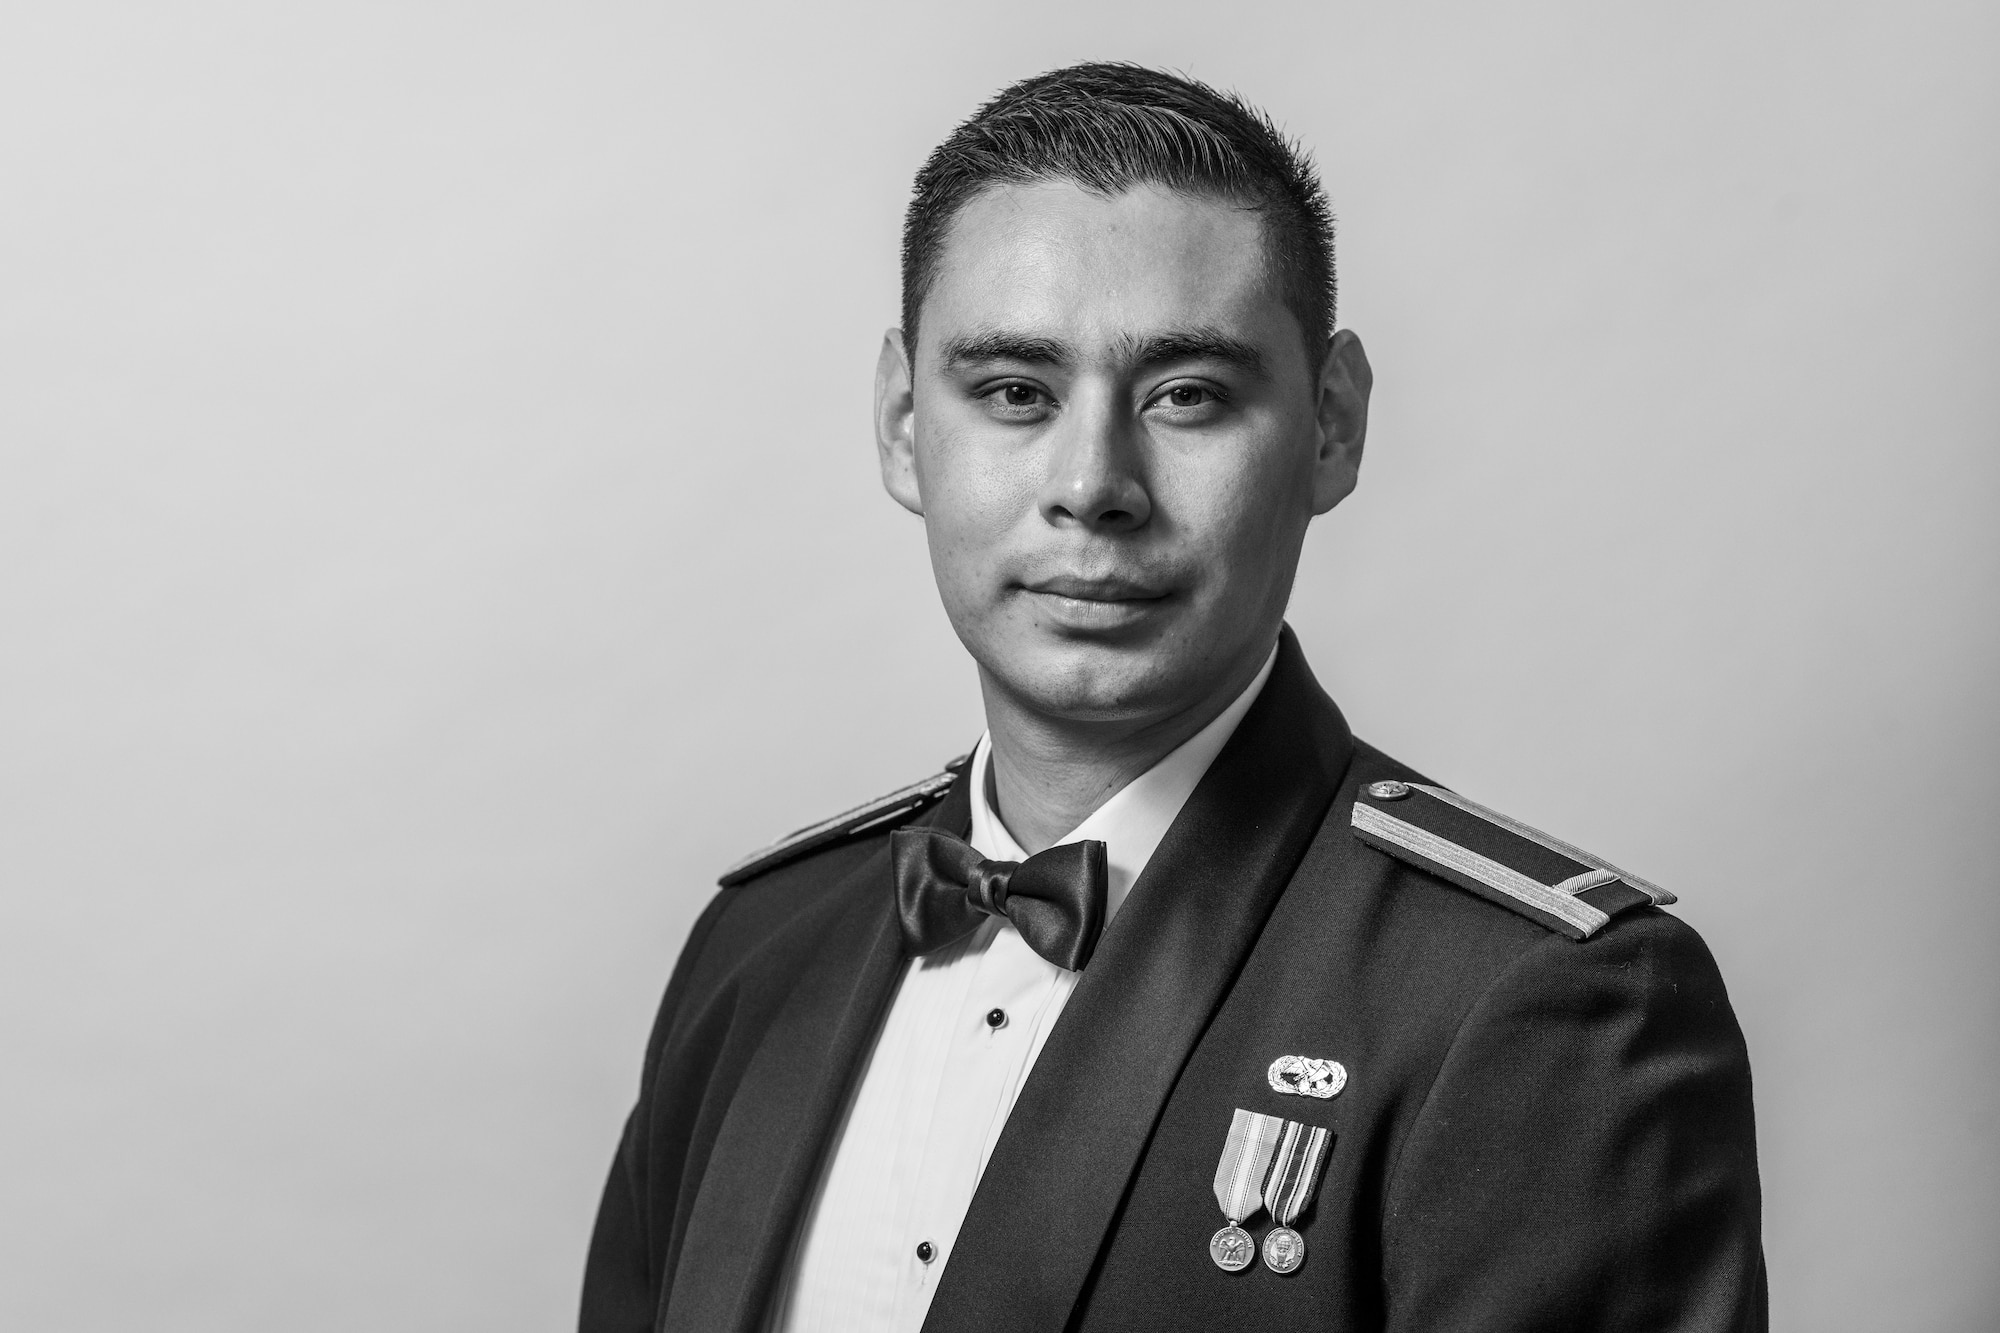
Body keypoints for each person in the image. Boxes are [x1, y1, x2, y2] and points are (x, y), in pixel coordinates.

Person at [580, 62, 1765, 1333]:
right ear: (899, 423)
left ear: (1330, 425)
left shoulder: (1539, 1010)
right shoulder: (754, 951)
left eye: (1185, 396)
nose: (1092, 484)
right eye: (1014, 393)